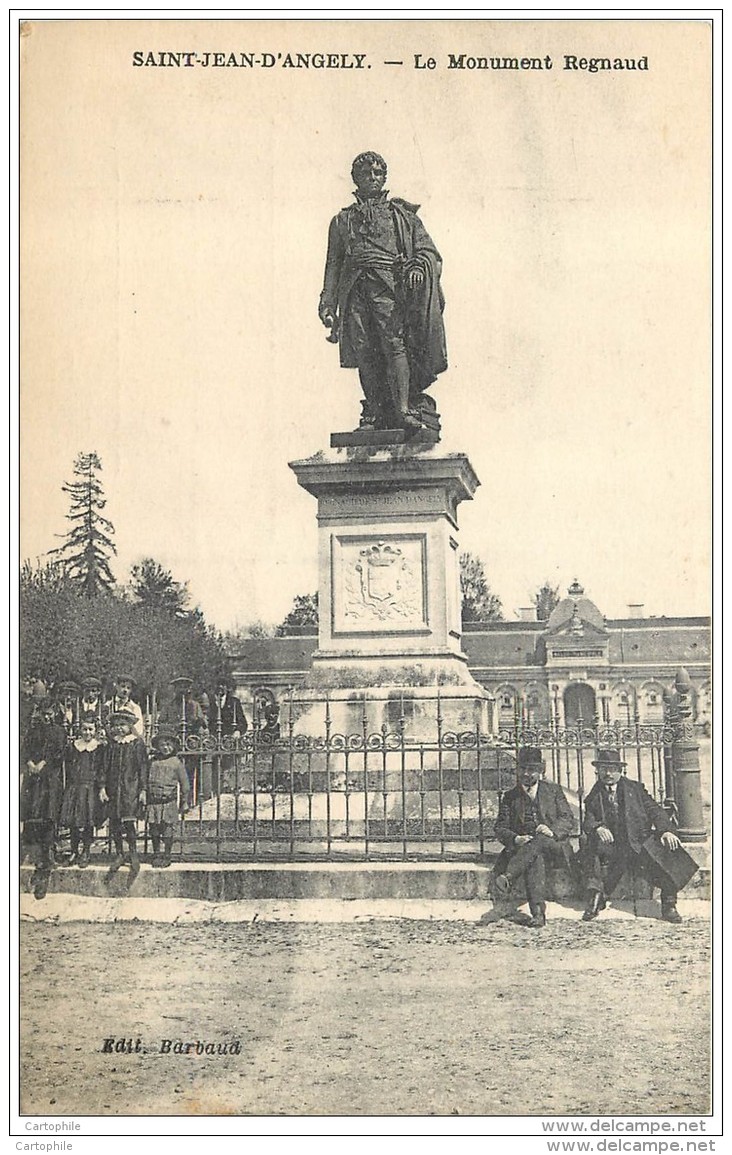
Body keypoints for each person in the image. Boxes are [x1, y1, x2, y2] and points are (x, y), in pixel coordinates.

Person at [319, 151, 447, 433]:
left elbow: (427, 249)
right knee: (364, 350)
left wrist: (417, 267)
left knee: (394, 344)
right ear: (356, 179)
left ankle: (402, 410)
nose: (372, 178)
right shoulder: (341, 221)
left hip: (390, 288)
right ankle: (374, 412)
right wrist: (327, 303)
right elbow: (333, 264)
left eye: (377, 173)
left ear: (384, 177)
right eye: (366, 174)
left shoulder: (400, 215)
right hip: (354, 289)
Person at [580, 749, 683, 924]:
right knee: (592, 849)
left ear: (620, 771)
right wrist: (598, 827)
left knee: (666, 854)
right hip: (613, 846)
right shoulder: (596, 792)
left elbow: (655, 811)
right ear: (598, 771)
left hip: (638, 841)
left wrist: (666, 830)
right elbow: (588, 819)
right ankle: (596, 899)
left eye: (612, 769)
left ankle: (669, 904)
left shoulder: (635, 788)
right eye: (604, 768)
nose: (608, 774)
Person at [492, 747, 576, 928]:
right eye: (522, 769)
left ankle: (509, 876)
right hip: (525, 850)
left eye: (532, 769)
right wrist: (516, 839)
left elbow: (568, 818)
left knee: (540, 839)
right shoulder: (510, 796)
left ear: (540, 771)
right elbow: (500, 828)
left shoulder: (553, 791)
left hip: (555, 847)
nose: (526, 774)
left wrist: (551, 831)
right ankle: (538, 914)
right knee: (534, 856)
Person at [21, 698, 66, 899]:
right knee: (32, 819)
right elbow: (24, 751)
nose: (47, 717)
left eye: (50, 713)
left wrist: (44, 763)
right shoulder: (33, 731)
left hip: (50, 781)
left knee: (48, 819)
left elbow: (59, 753)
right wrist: (30, 763)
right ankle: (37, 862)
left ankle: (46, 866)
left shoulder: (59, 732)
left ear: (55, 713)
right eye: (44, 713)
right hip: (33, 781)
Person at [99, 709, 148, 879]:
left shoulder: (137, 744)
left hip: (130, 788)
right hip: (113, 789)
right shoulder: (111, 745)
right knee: (114, 822)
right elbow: (104, 767)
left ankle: (133, 853)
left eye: (123, 725)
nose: (119, 728)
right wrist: (103, 787)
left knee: (129, 822)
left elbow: (143, 768)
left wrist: (143, 790)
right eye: (116, 725)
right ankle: (119, 853)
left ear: (130, 726)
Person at [59, 717, 104, 867]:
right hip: (74, 787)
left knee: (87, 822)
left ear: (95, 730)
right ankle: (73, 851)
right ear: (80, 729)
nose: (87, 732)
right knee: (73, 823)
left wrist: (101, 787)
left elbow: (101, 770)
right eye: (85, 729)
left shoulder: (98, 748)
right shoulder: (73, 746)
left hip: (90, 788)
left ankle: (86, 852)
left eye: (90, 729)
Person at [146, 726, 188, 868]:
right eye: (162, 744)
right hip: (153, 802)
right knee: (154, 828)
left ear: (174, 746)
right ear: (157, 746)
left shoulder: (177, 763)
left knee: (167, 829)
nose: (166, 747)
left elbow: (185, 784)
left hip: (168, 802)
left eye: (169, 744)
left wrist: (184, 802)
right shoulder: (152, 762)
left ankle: (167, 854)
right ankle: (156, 853)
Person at [105, 674, 144, 738]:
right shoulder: (108, 705)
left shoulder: (135, 708)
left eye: (128, 688)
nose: (125, 690)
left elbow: (139, 730)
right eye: (123, 686)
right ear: (117, 686)